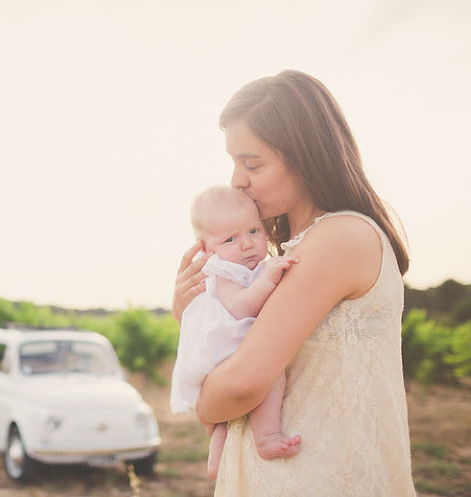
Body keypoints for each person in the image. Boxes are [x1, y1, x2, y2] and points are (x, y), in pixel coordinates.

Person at [172, 70, 415, 495]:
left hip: (315, 477)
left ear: (305, 157)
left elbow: (242, 385)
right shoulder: (290, 253)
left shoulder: (337, 238)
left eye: (252, 163)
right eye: (233, 162)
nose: (236, 180)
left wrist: (205, 400)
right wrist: (194, 314)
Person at [170, 186, 300, 480]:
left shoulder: (241, 266)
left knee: (223, 423)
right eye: (230, 239)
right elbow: (242, 308)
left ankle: (217, 463)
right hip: (223, 349)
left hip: (221, 351)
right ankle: (267, 437)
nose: (247, 244)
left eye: (254, 230)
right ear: (207, 250)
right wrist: (267, 280)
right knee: (271, 374)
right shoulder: (222, 273)